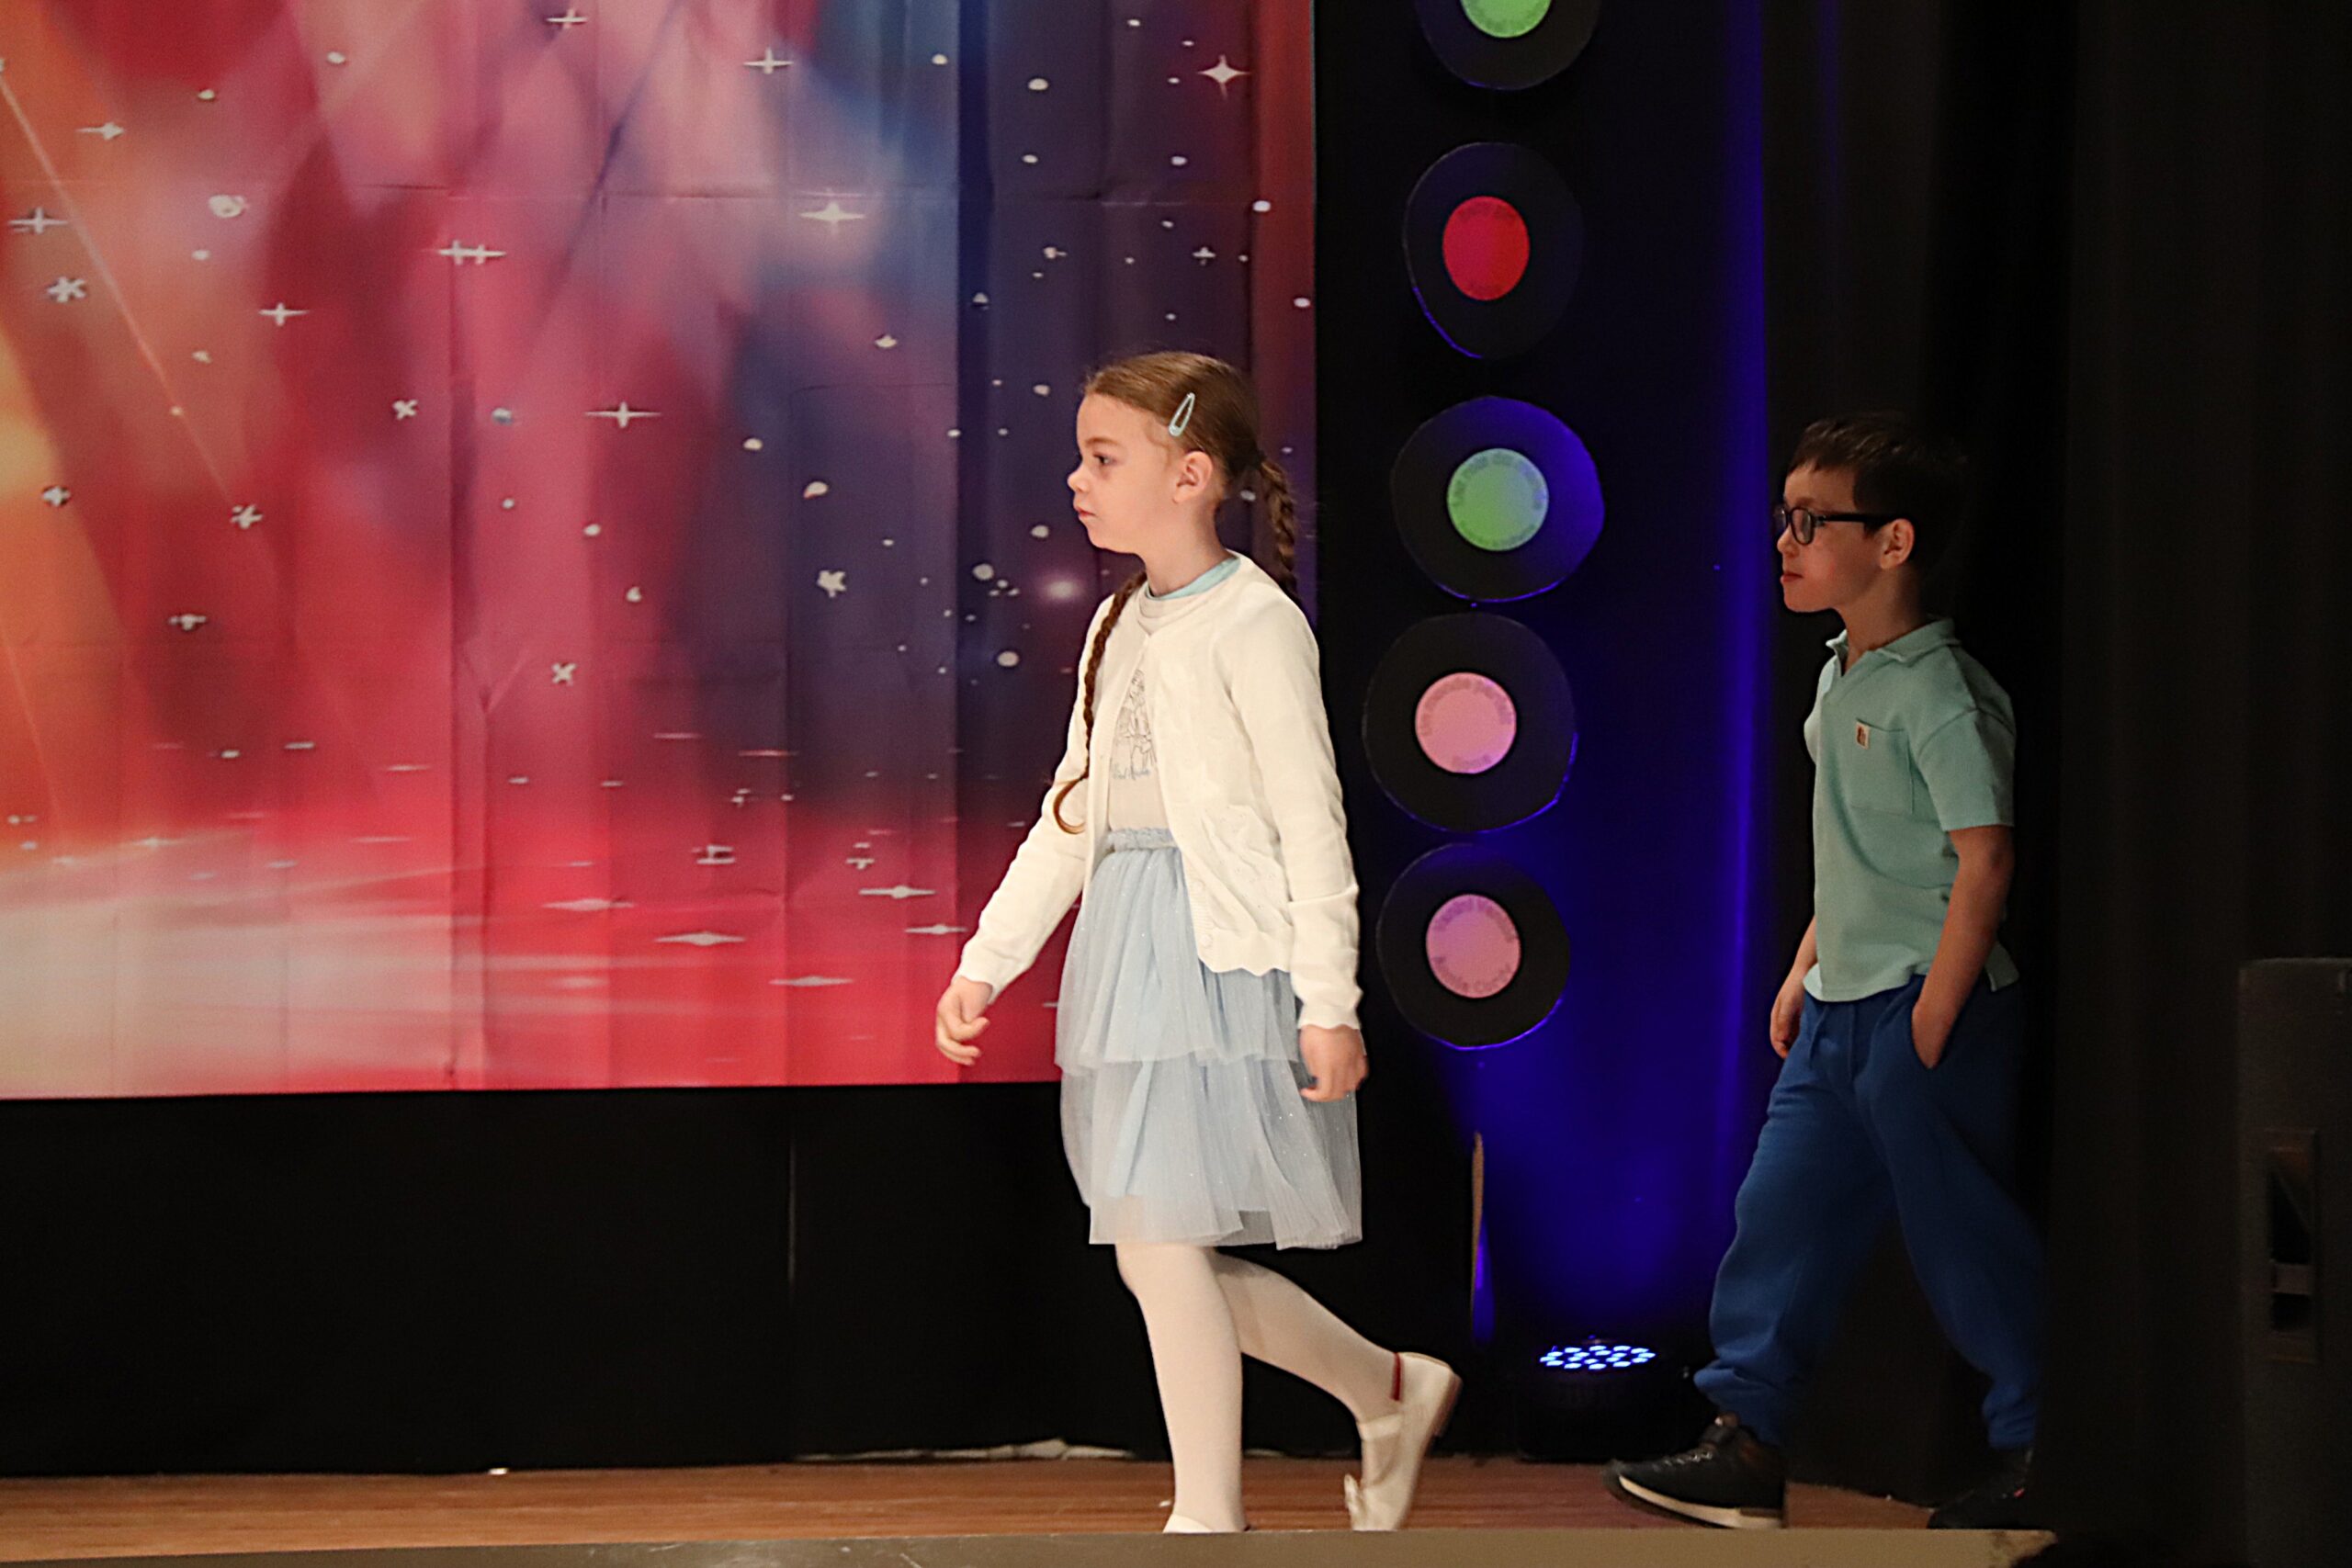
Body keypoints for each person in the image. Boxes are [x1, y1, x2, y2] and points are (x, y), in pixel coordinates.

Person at [933, 352, 1457, 1534]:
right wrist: (987, 958)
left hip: (1214, 956)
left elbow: (1309, 821)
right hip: (1128, 947)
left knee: (1160, 1244)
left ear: (1190, 476)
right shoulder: (1116, 621)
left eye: (1102, 458)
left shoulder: (1255, 624)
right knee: (1152, 1247)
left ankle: (1212, 1519)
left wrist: (1328, 1001)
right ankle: (1385, 1390)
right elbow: (1074, 813)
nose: (1077, 481)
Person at [1605, 412, 2041, 1530]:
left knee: (1960, 1239)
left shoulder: (1941, 691)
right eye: (1783, 518)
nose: (1785, 542)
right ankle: (1746, 1444)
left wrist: (1930, 1019)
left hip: (1923, 1008)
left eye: (1812, 522)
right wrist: (1806, 965)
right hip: (1842, 1008)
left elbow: (1983, 859)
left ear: (1893, 542)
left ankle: (2040, 1447)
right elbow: (1856, 852)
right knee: (1779, 1216)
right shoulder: (1840, 674)